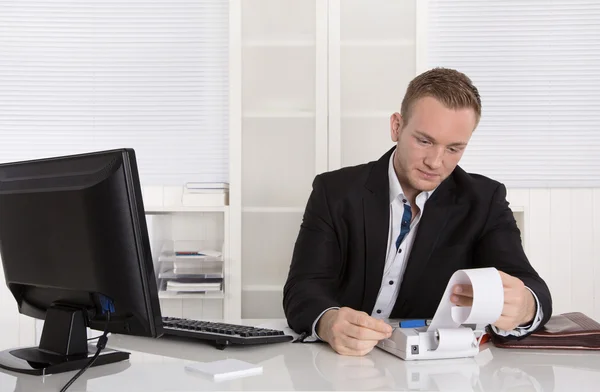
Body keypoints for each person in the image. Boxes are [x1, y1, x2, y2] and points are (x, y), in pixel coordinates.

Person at [283, 67, 552, 356]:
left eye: (454, 148)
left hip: (428, 366)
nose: (435, 162)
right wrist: (327, 320)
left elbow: (532, 286)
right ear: (396, 127)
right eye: (424, 141)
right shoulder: (334, 191)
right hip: (341, 360)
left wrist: (525, 305)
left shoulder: (485, 200)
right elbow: (303, 286)